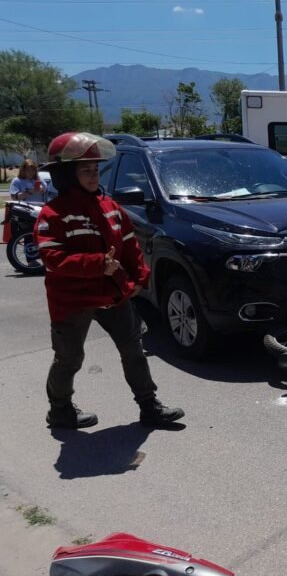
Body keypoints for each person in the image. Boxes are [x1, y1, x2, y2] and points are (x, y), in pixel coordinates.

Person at [34, 132, 185, 429]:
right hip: (72, 301)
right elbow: (53, 259)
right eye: (85, 170)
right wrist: (95, 264)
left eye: (95, 170)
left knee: (134, 351)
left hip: (115, 295)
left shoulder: (110, 207)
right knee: (69, 359)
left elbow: (130, 246)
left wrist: (141, 277)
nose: (93, 176)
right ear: (67, 174)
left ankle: (149, 407)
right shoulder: (53, 214)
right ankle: (60, 410)